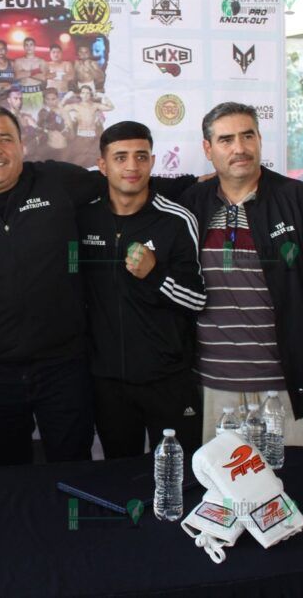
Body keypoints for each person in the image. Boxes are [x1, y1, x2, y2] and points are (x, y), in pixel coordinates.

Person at [0, 106, 195, 466]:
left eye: (6, 138)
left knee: (72, 466)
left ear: (22, 145)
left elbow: (123, 179)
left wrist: (202, 184)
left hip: (65, 368)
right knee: (7, 471)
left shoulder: (58, 182)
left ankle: (72, 523)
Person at [178, 101, 303, 450]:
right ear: (208, 149)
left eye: (247, 136)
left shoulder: (295, 199)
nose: (239, 148)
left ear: (259, 139)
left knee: (295, 491)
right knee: (225, 494)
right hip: (213, 386)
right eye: (226, 140)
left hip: (286, 385)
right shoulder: (193, 203)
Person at [77, 121, 205, 458]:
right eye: (120, 158)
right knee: (121, 477)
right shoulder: (83, 220)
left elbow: (198, 299)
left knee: (182, 476)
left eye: (140, 156)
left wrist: (154, 275)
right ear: (103, 166)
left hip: (168, 378)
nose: (131, 167)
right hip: (107, 380)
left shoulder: (176, 220)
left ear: (152, 160)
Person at [64, 85, 113, 168]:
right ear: (80, 94)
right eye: (83, 93)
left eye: (87, 93)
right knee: (78, 161)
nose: (85, 95)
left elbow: (110, 107)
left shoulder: (95, 105)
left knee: (97, 162)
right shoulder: (76, 106)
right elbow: (62, 108)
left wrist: (103, 96)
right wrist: (66, 97)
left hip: (93, 137)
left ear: (90, 95)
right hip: (81, 136)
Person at [14, 37, 46, 112]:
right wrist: (36, 72)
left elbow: (43, 77)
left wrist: (25, 72)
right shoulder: (18, 61)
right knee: (24, 116)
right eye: (26, 45)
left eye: (31, 45)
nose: (29, 47)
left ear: (35, 47)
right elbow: (18, 76)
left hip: (37, 93)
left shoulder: (41, 61)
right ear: (24, 47)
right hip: (23, 93)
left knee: (38, 116)